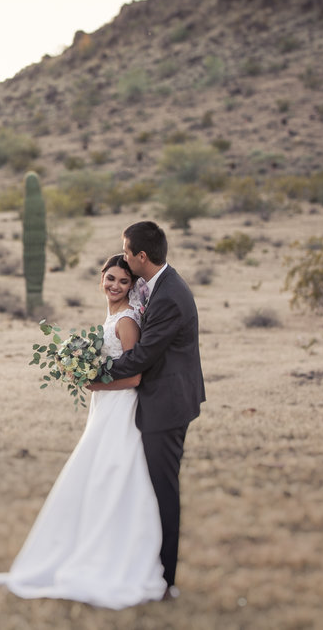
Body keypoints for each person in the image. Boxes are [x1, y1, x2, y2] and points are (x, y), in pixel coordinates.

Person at [0, 254, 167, 609]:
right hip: (105, 407)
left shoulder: (128, 320)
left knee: (112, 472)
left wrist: (94, 384)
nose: (115, 286)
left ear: (132, 286)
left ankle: (110, 554)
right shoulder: (113, 316)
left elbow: (134, 375)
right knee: (96, 472)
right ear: (101, 278)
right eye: (110, 278)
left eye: (123, 281)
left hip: (121, 407)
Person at [94, 220, 205, 599]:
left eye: (126, 252)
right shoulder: (154, 286)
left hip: (167, 407)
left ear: (142, 256)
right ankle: (143, 563)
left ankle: (164, 581)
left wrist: (94, 375)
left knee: (162, 491)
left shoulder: (170, 296)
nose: (123, 258)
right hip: (158, 402)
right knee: (146, 487)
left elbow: (142, 356)